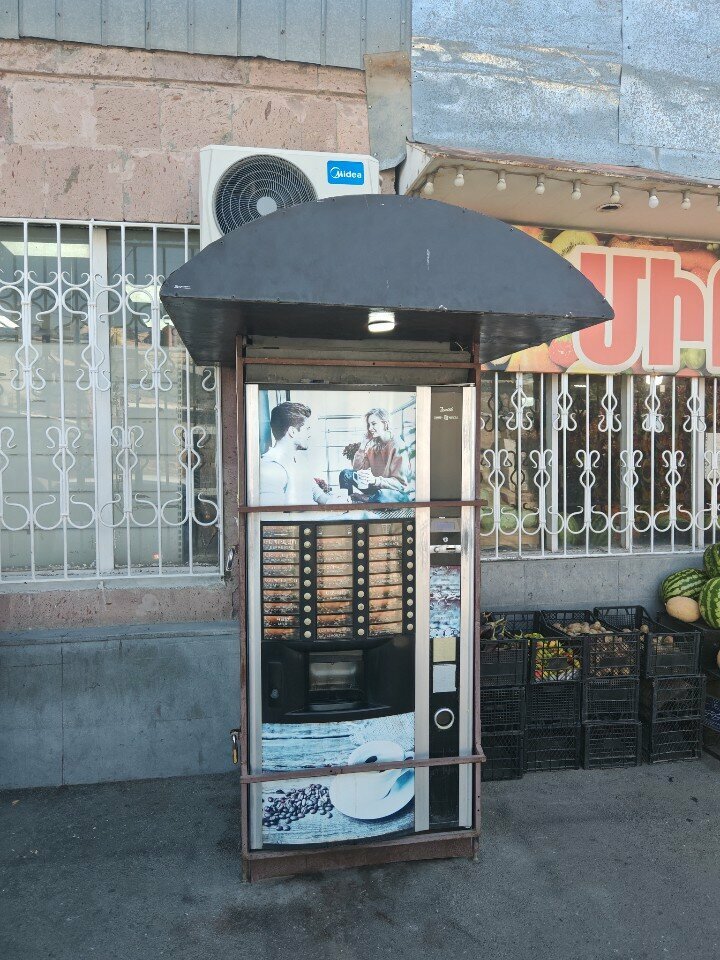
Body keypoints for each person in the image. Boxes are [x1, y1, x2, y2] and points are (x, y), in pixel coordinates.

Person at [260, 401, 328, 505]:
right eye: (308, 429)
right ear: (292, 431)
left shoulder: (300, 460)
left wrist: (341, 504)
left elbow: (318, 494)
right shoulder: (272, 467)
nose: (310, 434)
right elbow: (272, 517)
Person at [340, 407, 411, 502]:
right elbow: (357, 470)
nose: (370, 428)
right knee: (345, 474)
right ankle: (347, 501)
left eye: (373, 424)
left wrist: (375, 480)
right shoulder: (373, 445)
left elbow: (400, 484)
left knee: (383, 496)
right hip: (376, 487)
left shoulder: (398, 445)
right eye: (369, 425)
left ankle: (367, 498)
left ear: (385, 424)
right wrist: (363, 445)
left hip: (393, 491)